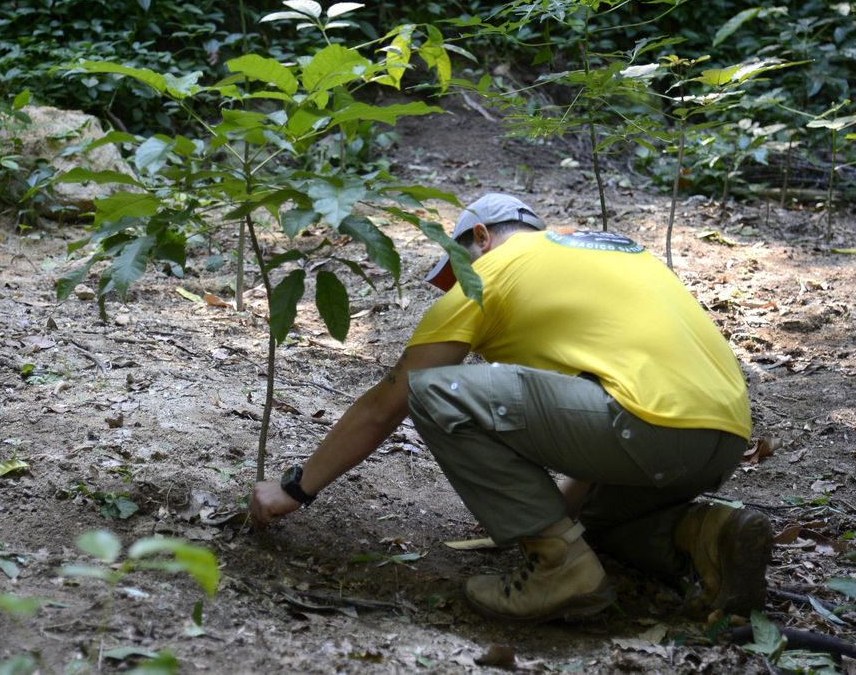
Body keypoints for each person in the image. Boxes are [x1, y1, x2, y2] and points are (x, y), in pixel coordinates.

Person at [249, 193, 773, 622]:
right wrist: (559, 512)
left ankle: (557, 569)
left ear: (480, 238)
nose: (456, 284)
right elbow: (607, 375)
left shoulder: (495, 270)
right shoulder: (607, 253)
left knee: (432, 391)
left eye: (456, 270)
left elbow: (390, 402)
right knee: (590, 523)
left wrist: (295, 487)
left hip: (645, 426)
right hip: (721, 437)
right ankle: (706, 533)